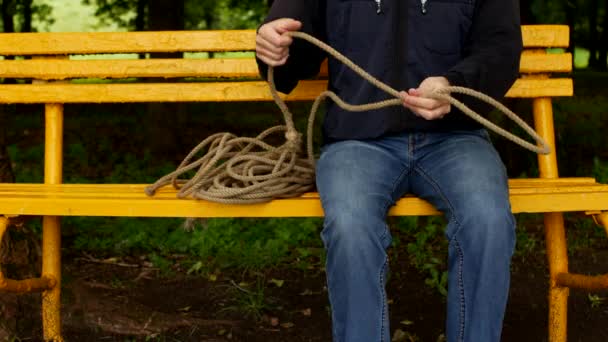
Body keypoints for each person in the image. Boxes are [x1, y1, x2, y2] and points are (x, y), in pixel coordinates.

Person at [255, 0, 522, 341]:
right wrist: (274, 47)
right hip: (358, 138)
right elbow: (292, 48)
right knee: (350, 225)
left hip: (455, 137)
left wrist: (455, 85)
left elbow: (501, 48)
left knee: (488, 219)